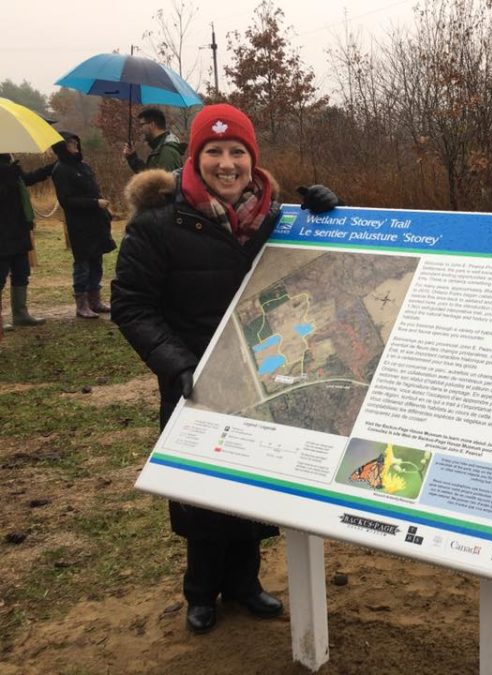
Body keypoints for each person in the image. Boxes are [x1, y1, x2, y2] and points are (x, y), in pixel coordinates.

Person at [111, 103, 340, 634]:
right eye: (213, 151)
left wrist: (333, 211)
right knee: (205, 492)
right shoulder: (158, 223)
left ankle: (245, 584)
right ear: (195, 156)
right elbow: (131, 304)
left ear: (251, 158)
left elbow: (331, 259)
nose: (227, 163)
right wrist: (176, 364)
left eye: (237, 151)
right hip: (193, 377)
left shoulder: (276, 217)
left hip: (264, 372)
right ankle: (201, 592)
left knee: (256, 483)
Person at [50, 132, 116, 319]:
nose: (75, 145)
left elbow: (94, 189)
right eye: (70, 143)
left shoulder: (84, 166)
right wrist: (94, 203)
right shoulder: (60, 169)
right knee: (83, 264)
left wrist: (104, 209)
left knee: (97, 261)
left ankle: (95, 300)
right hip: (79, 225)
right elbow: (67, 201)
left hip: (97, 222)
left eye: (75, 142)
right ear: (62, 147)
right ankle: (82, 304)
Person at [0, 153, 54, 334]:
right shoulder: (7, 171)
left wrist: (49, 169)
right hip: (3, 233)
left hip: (18, 229)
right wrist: (6, 173)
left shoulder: (11, 168)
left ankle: (20, 314)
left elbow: (27, 179)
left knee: (21, 272)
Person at [123, 107, 185, 173]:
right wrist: (132, 158)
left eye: (142, 125)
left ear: (152, 125)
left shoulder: (167, 153)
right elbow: (150, 176)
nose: (140, 129)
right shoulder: (159, 149)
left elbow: (159, 182)